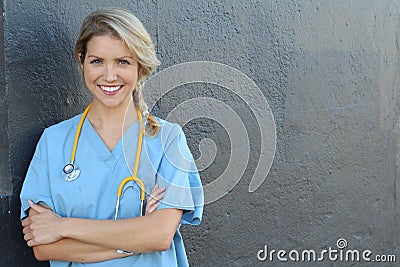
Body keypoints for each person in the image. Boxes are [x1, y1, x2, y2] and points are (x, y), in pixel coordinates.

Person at [20, 8, 203, 266]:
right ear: (81, 60)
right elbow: (44, 246)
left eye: (123, 61)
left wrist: (63, 226)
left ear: (140, 66)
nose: (109, 75)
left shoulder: (167, 140)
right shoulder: (53, 142)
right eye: (97, 61)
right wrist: (135, 240)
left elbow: (160, 235)